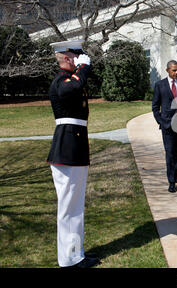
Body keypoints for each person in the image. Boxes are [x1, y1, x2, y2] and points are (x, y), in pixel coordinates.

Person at [47, 40, 100, 268]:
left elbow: (82, 85)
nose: (80, 59)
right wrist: (84, 68)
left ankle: (76, 253)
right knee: (69, 207)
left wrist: (84, 70)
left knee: (75, 206)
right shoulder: (61, 81)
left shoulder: (70, 79)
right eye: (76, 56)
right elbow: (73, 88)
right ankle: (68, 259)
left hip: (74, 148)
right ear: (67, 58)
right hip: (67, 150)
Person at [152, 60, 177, 193]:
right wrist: (161, 122)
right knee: (170, 153)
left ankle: (174, 175)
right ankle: (171, 181)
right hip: (167, 125)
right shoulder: (159, 85)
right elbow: (155, 107)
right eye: (174, 70)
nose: (176, 72)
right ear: (167, 70)